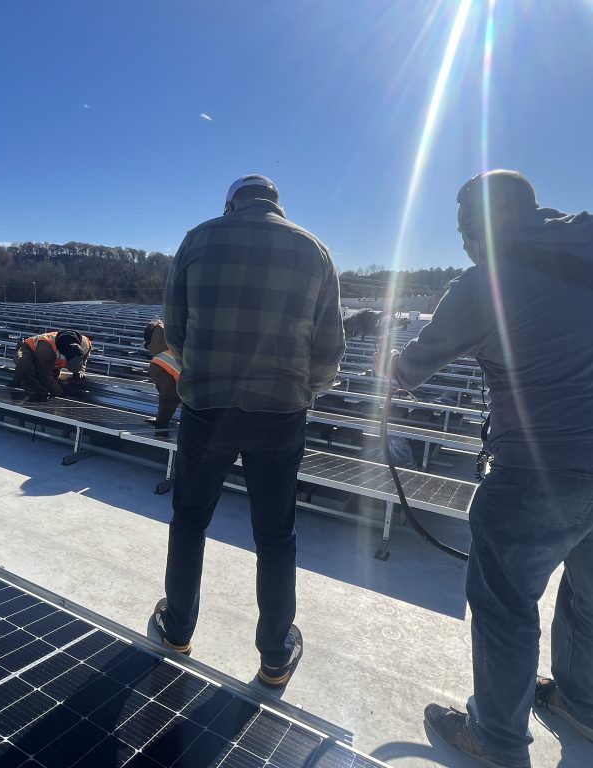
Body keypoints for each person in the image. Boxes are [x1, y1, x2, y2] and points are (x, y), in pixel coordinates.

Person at [386, 170, 593, 768]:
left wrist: (392, 362)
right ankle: (585, 708)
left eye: (465, 234)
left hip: (539, 470)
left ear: (474, 228)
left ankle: (495, 739)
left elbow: (409, 370)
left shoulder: (481, 282)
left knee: (504, 600)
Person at [150, 173, 346, 687]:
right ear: (277, 204)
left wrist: (205, 371)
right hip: (280, 413)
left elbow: (173, 330)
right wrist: (304, 390)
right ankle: (274, 656)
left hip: (207, 407)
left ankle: (177, 630)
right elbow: (329, 349)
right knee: (276, 535)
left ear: (231, 203)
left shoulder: (198, 238)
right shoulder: (315, 251)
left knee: (190, 520)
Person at [10, 329, 92, 402]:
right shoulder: (46, 348)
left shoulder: (86, 344)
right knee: (25, 369)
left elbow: (84, 360)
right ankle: (36, 391)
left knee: (52, 386)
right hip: (29, 350)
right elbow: (45, 375)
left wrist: (80, 370)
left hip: (52, 364)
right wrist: (61, 395)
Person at [142, 318, 181, 430]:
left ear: (150, 345)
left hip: (202, 405)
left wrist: (161, 421)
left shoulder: (159, 363)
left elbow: (169, 396)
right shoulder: (181, 348)